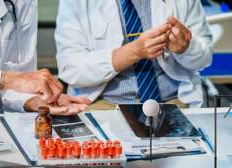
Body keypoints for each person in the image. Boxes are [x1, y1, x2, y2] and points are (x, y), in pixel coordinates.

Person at [55, 0, 213, 108]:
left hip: (174, 101)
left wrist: (186, 48)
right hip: (103, 104)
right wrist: (134, 51)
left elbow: (205, 58)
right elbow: (71, 69)